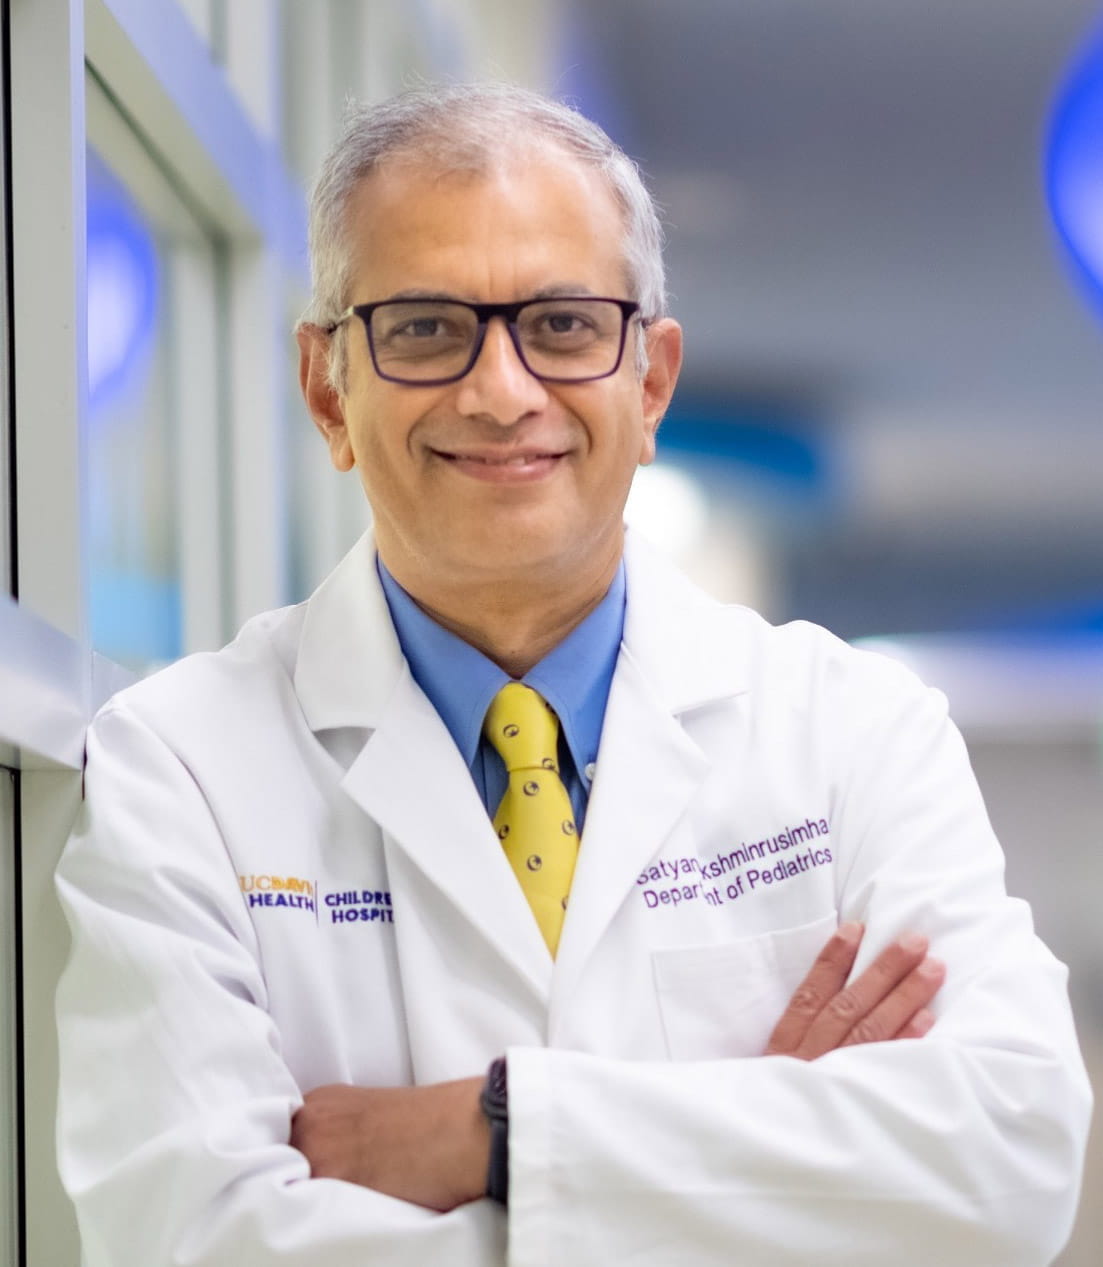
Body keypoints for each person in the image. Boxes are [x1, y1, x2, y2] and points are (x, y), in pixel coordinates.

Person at [55, 83, 1090, 1266]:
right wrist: (755, 1173)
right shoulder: (178, 767)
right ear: (327, 390)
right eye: (426, 327)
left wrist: (493, 1132)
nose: (501, 391)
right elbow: (190, 1238)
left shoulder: (855, 734)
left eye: (560, 325)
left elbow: (1014, 1156)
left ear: (648, 384)